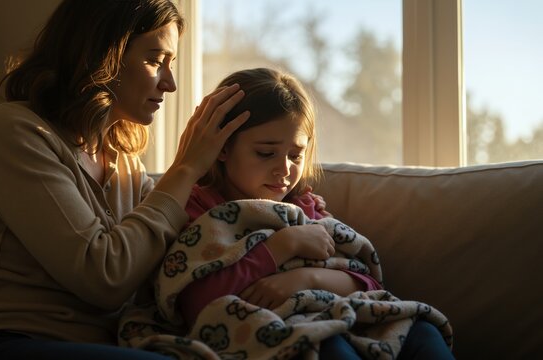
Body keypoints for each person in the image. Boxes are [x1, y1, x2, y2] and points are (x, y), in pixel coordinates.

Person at [0, 1, 256, 359]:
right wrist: (185, 169)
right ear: (101, 53)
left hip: (93, 344)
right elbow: (104, 277)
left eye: (171, 63)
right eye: (155, 60)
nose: (169, 83)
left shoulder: (125, 166)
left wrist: (289, 257)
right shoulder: (14, 131)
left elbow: (180, 258)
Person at [176, 68, 454, 359]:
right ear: (223, 146)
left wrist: (307, 279)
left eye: (296, 155)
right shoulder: (198, 210)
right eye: (265, 153)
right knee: (327, 345)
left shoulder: (305, 209)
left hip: (333, 314)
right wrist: (281, 247)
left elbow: (368, 284)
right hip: (279, 333)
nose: (284, 170)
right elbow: (199, 301)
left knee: (421, 331)